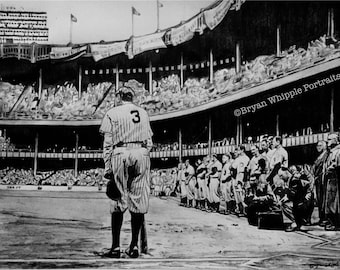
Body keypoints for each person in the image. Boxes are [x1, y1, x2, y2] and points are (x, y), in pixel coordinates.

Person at [100, 86, 153, 259]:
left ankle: (116, 247)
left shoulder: (113, 112)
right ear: (132, 97)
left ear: (119, 96)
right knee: (138, 202)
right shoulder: (143, 113)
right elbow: (149, 142)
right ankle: (134, 247)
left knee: (118, 200)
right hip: (141, 153)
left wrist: (108, 167)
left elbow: (108, 143)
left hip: (121, 152)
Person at [323, 133, 340, 231]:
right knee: (329, 200)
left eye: (330, 139)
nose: (327, 141)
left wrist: (331, 168)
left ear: (335, 140)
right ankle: (331, 220)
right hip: (330, 179)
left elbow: (337, 165)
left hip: (335, 179)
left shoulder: (338, 152)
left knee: (334, 201)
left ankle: (335, 222)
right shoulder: (331, 152)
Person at [312, 140, 328, 225]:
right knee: (319, 199)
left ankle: (324, 218)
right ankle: (321, 217)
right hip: (318, 180)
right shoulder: (319, 156)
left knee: (323, 199)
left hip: (322, 180)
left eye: (320, 145)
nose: (318, 147)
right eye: (317, 145)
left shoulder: (326, 155)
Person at [231, 145, 250, 216]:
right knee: (237, 193)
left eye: (239, 150)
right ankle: (240, 209)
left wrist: (244, 180)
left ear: (242, 150)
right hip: (238, 175)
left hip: (243, 176)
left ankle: (245, 211)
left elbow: (246, 169)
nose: (237, 151)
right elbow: (233, 167)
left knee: (242, 193)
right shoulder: (238, 158)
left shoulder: (246, 158)